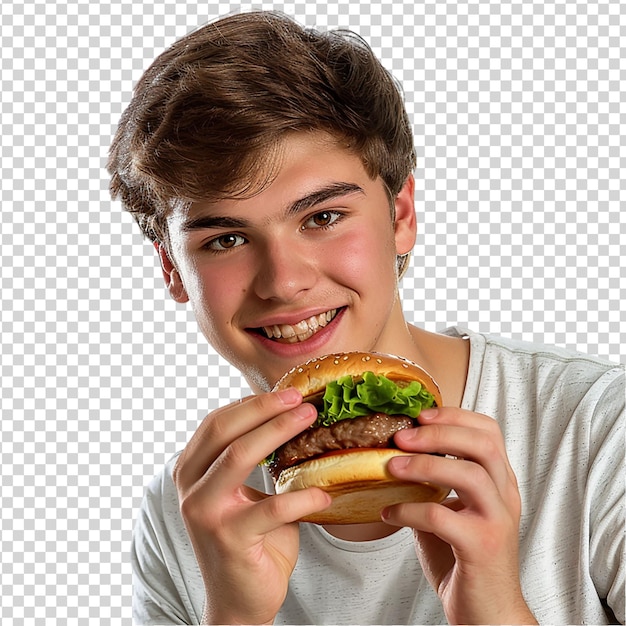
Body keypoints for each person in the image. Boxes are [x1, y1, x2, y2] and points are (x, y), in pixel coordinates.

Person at [108, 10, 624, 625]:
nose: (285, 281)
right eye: (224, 239)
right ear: (172, 270)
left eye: (322, 217)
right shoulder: (186, 511)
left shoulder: (596, 429)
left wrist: (495, 611)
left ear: (400, 214)